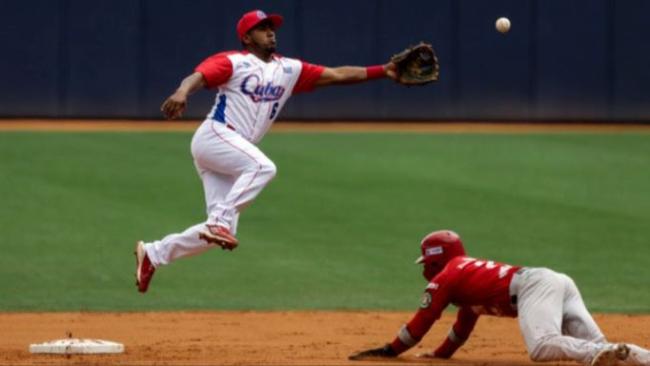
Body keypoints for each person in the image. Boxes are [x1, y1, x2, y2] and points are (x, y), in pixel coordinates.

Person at [134, 9, 400, 293]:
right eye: (262, 28)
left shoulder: (289, 69)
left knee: (217, 233)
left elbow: (336, 74)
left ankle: (154, 254)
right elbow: (198, 75)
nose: (270, 31)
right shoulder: (234, 62)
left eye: (271, 27)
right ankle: (219, 220)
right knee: (262, 168)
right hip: (216, 135)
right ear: (247, 37)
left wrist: (382, 71)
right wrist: (182, 92)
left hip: (229, 152)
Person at [349, 230, 650, 366]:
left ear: (434, 260)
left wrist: (390, 350)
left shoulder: (447, 277)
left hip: (535, 287)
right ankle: (642, 357)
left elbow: (422, 320)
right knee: (605, 349)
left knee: (542, 346)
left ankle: (592, 355)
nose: (425, 268)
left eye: (426, 261)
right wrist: (440, 355)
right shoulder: (465, 277)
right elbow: (462, 327)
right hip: (555, 282)